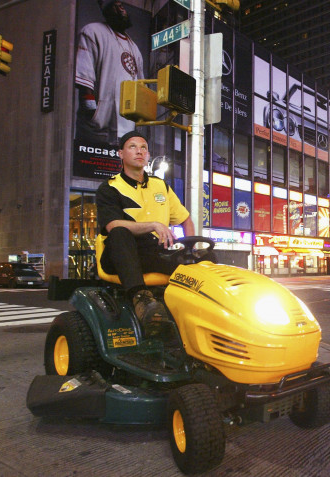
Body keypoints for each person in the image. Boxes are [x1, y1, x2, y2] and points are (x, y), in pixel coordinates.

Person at [96, 130, 194, 335]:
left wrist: (190, 246)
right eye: (132, 147)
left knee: (203, 260)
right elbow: (113, 226)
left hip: (153, 252)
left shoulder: (161, 186)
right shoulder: (110, 188)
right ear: (121, 154)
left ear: (148, 155)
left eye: (143, 148)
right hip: (120, 253)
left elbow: (185, 219)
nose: (139, 151)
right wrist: (153, 225)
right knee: (121, 232)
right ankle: (141, 299)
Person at [75, 0, 144, 146]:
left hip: (128, 133)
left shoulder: (135, 48)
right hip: (99, 129)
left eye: (122, 5)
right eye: (115, 5)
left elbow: (141, 87)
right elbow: (84, 74)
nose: (120, 8)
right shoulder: (92, 31)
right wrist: (92, 114)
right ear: (106, 10)